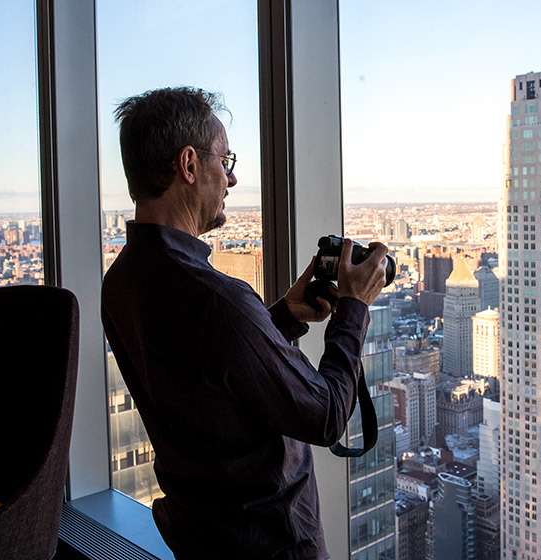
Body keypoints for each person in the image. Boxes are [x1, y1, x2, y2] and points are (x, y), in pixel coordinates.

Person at [100, 87, 388, 559]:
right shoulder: (217, 300)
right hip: (269, 540)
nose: (231, 179)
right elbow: (327, 415)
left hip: (200, 535)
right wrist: (353, 307)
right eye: (225, 161)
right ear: (189, 166)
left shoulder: (123, 281)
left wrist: (283, 317)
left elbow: (207, 375)